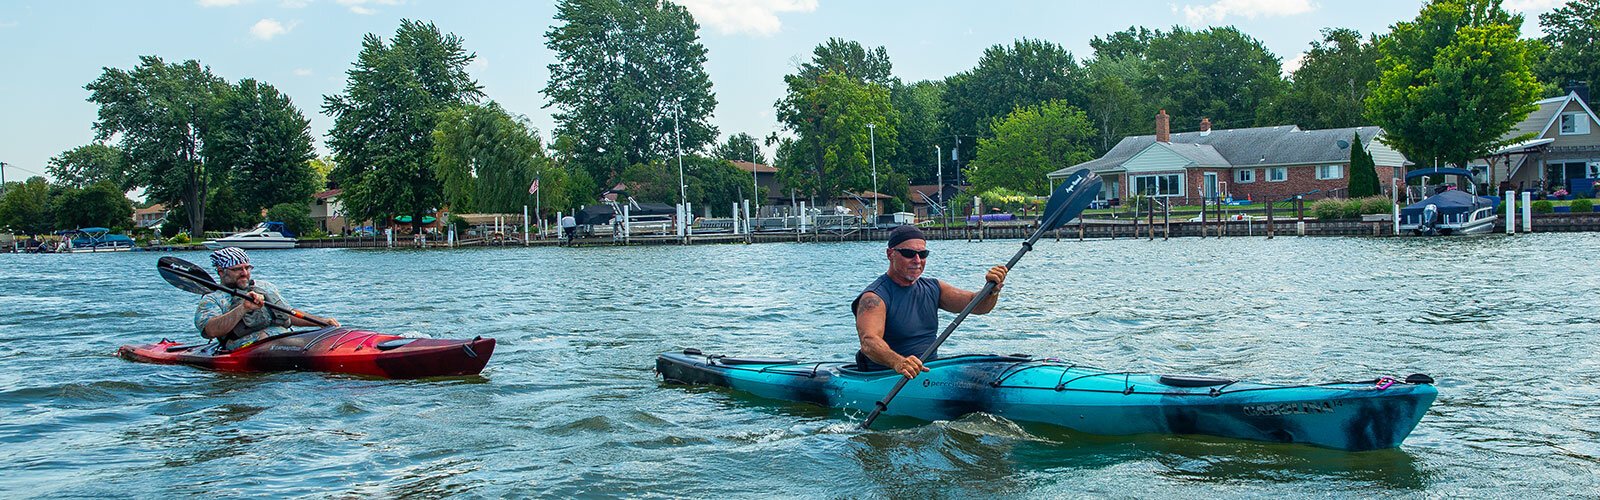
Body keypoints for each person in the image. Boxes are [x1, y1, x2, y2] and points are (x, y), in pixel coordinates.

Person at [852, 225, 1008, 378]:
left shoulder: (934, 287)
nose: (917, 260)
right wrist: (898, 362)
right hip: (888, 377)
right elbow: (868, 342)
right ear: (890, 254)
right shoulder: (873, 298)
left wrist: (992, 290)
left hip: (928, 373)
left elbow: (978, 305)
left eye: (923, 254)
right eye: (908, 253)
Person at [194, 247, 339, 350]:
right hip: (250, 348)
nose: (244, 273)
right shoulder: (212, 299)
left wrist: (322, 322)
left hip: (288, 341)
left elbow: (288, 313)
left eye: (247, 268)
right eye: (237, 269)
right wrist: (243, 308)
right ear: (221, 272)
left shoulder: (265, 287)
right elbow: (210, 331)